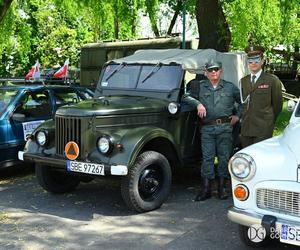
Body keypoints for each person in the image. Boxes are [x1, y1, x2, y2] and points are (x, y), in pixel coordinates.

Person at [182, 60, 242, 201]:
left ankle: (221, 188)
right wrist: (198, 104)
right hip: (207, 128)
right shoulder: (200, 86)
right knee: (207, 159)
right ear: (206, 73)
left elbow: (243, 103)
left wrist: (237, 116)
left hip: (225, 128)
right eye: (210, 70)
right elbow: (186, 96)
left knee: (223, 158)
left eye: (216, 70)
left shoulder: (229, 87)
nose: (213, 72)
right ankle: (206, 189)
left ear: (221, 71)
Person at [240, 45, 283, 148]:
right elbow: (244, 103)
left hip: (263, 128)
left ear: (262, 60)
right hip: (246, 127)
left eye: (256, 60)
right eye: (250, 60)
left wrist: (269, 121)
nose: (253, 63)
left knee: (262, 158)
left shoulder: (272, 80)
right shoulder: (243, 81)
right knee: (248, 158)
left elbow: (278, 106)